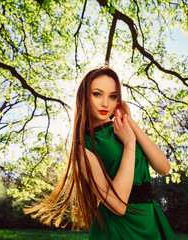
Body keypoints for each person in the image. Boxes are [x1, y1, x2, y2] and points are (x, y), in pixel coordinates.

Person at [25, 66, 176, 239]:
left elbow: (164, 168)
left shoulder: (124, 129)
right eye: (97, 94)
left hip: (151, 219)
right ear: (84, 97)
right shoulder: (84, 146)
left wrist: (130, 123)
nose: (105, 103)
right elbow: (118, 206)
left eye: (112, 96)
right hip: (118, 227)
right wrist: (129, 143)